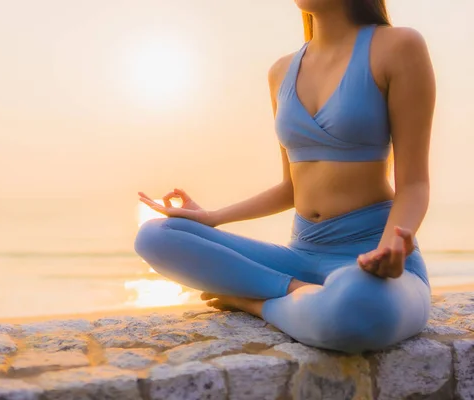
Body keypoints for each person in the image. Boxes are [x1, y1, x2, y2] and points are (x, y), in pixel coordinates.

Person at [134, 0, 436, 354]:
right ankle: (296, 293)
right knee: (156, 236)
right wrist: (211, 217)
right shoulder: (281, 71)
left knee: (357, 305)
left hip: (371, 254)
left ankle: (254, 302)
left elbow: (414, 184)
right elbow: (290, 187)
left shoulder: (399, 47)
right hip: (301, 255)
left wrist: (390, 247)